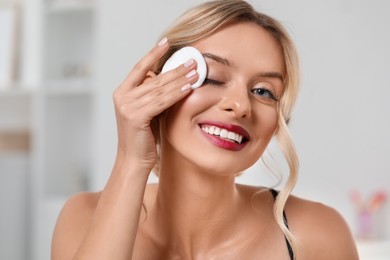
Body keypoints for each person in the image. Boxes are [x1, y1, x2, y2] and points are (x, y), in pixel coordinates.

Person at [51, 0, 359, 259]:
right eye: (212, 76)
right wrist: (131, 160)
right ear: (157, 87)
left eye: (264, 91)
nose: (240, 105)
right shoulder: (84, 217)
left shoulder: (319, 235)